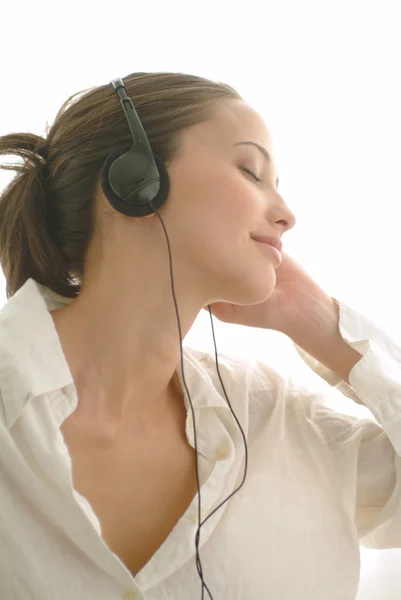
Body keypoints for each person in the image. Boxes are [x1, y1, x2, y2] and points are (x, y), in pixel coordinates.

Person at [0, 71, 400, 600]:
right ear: (135, 181)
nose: (286, 215)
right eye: (251, 171)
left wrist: (323, 326)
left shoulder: (276, 417)